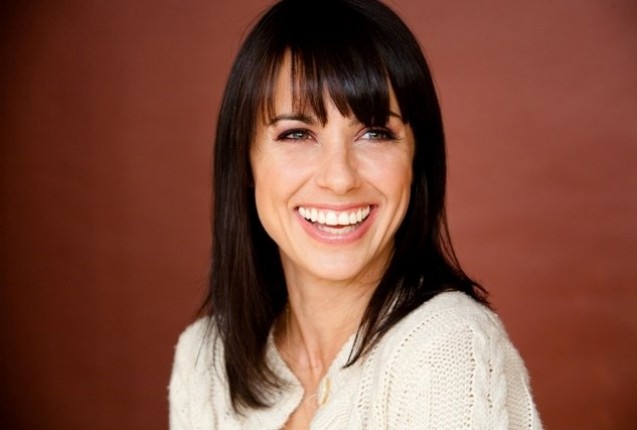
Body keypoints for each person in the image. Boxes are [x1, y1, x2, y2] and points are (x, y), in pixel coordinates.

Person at [169, 0, 542, 428]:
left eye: (375, 133)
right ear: (245, 161)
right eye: (297, 134)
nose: (340, 177)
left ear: (416, 159)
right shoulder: (204, 364)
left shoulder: (447, 348)